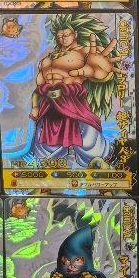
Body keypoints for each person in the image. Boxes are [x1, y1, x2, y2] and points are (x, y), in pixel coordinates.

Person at [30, 14, 120, 167]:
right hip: (49, 104)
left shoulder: (84, 51)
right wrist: (35, 107)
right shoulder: (50, 56)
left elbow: (99, 73)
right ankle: (49, 168)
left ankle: (103, 161)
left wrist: (100, 68)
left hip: (72, 101)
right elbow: (38, 89)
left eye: (66, 34)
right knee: (46, 140)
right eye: (59, 36)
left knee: (87, 137)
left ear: (75, 34)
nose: (62, 38)